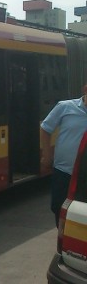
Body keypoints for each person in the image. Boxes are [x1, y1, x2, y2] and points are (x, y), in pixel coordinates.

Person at [40, 83, 87, 227]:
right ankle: (62, 243)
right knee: (59, 208)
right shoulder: (65, 107)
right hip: (64, 172)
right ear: (85, 90)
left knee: (81, 213)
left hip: (84, 175)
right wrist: (47, 155)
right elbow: (45, 128)